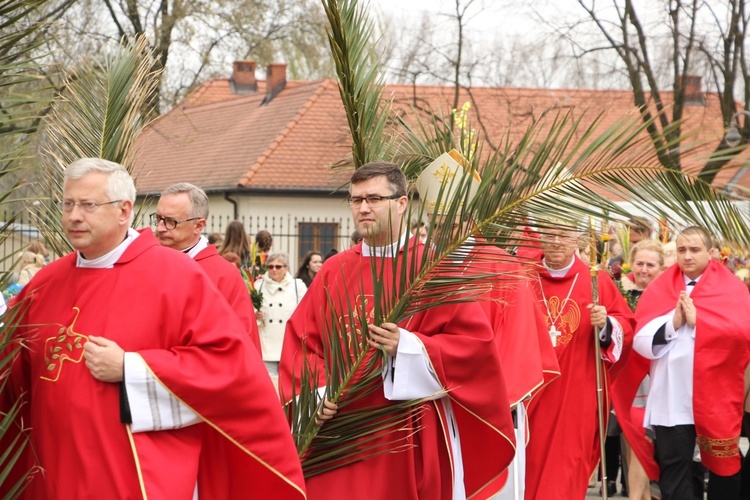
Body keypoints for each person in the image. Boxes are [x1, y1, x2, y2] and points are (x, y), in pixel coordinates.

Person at [1, 158, 305, 498]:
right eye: (68, 204)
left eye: (88, 205)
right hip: (51, 467)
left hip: (133, 472)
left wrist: (131, 368)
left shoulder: (175, 276)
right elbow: (10, 366)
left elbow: (231, 367)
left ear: (123, 210)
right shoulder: (46, 281)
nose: (74, 215)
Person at [279, 162, 515, 499]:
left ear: (402, 203)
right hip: (340, 432)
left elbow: (474, 347)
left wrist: (406, 345)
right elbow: (302, 342)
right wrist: (319, 393)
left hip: (405, 430)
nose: (363, 208)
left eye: (374, 198)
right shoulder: (334, 270)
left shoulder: (433, 268)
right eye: (355, 200)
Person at [414, 150, 559, 498]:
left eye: (458, 218)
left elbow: (518, 344)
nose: (451, 228)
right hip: (430, 404)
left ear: (472, 219)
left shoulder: (503, 268)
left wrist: (488, 400)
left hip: (490, 410)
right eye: (441, 220)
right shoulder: (419, 268)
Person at [630, 226, 750, 500]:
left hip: (715, 396)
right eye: (682, 249)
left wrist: (700, 324)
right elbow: (640, 339)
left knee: (723, 470)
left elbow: (743, 335)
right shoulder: (661, 287)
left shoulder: (732, 289)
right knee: (674, 469)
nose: (687, 256)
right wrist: (673, 325)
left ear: (711, 253)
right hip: (672, 398)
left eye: (694, 250)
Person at [524, 223, 634, 499]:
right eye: (550, 235)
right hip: (529, 396)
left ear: (577, 239)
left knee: (566, 472)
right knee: (528, 470)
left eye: (563, 235)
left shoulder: (595, 279)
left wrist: (606, 324)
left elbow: (627, 325)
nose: (556, 242)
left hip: (577, 396)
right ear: (540, 238)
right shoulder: (522, 276)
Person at [154, 182, 260, 352]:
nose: (160, 228)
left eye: (170, 221)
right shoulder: (148, 262)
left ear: (198, 225)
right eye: (158, 218)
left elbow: (241, 344)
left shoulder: (224, 275)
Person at [611, 239, 666, 500]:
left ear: (662, 268)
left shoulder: (669, 295)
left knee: (645, 441)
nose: (644, 269)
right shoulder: (620, 293)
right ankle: (640, 496)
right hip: (629, 377)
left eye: (651, 265)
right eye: (639, 263)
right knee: (634, 441)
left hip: (658, 377)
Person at [255, 252, 307, 377]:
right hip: (267, 346)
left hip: (290, 345)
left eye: (278, 266)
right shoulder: (258, 286)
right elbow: (250, 311)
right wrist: (256, 315)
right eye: (270, 266)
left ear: (286, 268)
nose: (274, 270)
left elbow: (305, 311)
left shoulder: (297, 286)